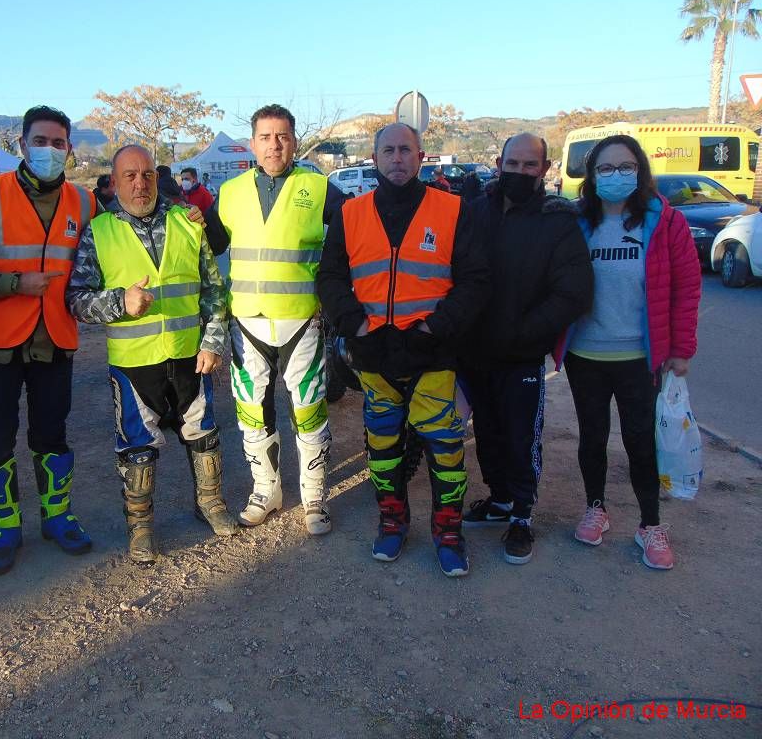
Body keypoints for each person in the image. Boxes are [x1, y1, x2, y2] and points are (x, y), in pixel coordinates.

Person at [317, 122, 489, 576]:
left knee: (446, 450)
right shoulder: (350, 214)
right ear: (374, 159)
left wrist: (435, 328)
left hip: (432, 353)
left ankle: (449, 533)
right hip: (375, 356)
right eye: (388, 150)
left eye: (406, 150)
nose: (397, 158)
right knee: (384, 449)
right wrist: (355, 325)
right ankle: (392, 523)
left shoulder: (453, 209)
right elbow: (329, 279)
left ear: (421, 156)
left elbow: (475, 282)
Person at [0, 105, 98, 576]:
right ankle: (4, 528)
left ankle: (58, 517)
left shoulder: (86, 202)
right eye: (40, 141)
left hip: (55, 340)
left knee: (52, 435)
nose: (49, 150)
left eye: (58, 142)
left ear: (69, 148)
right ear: (21, 144)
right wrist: (12, 284)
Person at [67, 144, 236, 564]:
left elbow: (214, 290)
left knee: (204, 435)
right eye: (130, 175)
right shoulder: (98, 232)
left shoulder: (187, 221)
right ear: (115, 179)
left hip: (189, 355)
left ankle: (211, 504)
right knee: (138, 449)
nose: (140, 183)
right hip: (133, 364)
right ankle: (140, 526)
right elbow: (76, 299)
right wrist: (119, 303)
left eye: (146, 174)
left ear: (157, 177)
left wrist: (214, 341)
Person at [555, 134, 700, 570]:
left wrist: (681, 350)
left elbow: (686, 290)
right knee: (592, 437)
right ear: (591, 174)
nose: (615, 175)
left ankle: (650, 525)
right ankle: (595, 507)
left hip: (641, 357)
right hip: (587, 355)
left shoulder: (665, 222)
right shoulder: (578, 222)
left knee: (641, 440)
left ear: (639, 170)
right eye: (605, 168)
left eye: (624, 167)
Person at [204, 104, 346, 536]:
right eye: (265, 137)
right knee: (251, 412)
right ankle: (266, 492)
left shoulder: (320, 188)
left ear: (295, 141)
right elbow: (207, 244)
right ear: (252, 143)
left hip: (301, 319)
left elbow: (349, 239)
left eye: (282, 136)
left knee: (308, 409)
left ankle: (315, 498)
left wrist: (332, 293)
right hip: (245, 321)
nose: (274, 144)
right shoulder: (228, 192)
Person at [458, 133, 593, 565]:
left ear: (545, 168)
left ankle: (521, 515)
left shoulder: (558, 221)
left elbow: (573, 293)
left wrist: (525, 332)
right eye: (511, 164)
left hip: (520, 354)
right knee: (488, 435)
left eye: (529, 165)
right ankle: (498, 500)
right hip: (475, 351)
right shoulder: (475, 211)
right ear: (498, 163)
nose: (519, 172)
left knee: (522, 437)